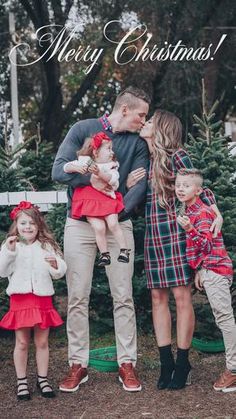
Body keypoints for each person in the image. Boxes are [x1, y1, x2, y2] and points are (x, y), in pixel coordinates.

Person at [52, 86, 150, 392]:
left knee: (123, 295)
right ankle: (77, 364)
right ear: (124, 110)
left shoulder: (137, 144)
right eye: (141, 115)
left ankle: (127, 363)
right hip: (80, 225)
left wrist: (115, 213)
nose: (143, 121)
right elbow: (58, 170)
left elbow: (139, 185)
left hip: (118, 225)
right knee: (77, 296)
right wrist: (91, 178)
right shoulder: (83, 129)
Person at [137, 109, 223, 390]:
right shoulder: (147, 159)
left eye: (150, 121)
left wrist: (215, 212)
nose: (145, 123)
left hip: (177, 234)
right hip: (154, 237)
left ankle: (183, 362)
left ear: (161, 129)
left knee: (181, 297)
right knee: (157, 297)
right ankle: (166, 363)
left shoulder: (178, 156)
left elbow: (201, 188)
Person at [175, 168, 236, 393]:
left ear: (198, 190)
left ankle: (234, 370)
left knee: (224, 318)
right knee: (223, 317)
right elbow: (205, 251)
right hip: (209, 269)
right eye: (178, 184)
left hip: (217, 271)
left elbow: (206, 245)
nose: (181, 188)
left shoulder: (200, 213)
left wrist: (189, 229)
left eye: (186, 185)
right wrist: (200, 268)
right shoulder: (192, 208)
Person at [0, 201, 67, 400]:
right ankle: (22, 382)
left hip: (42, 300)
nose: (27, 227)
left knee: (42, 341)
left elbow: (59, 271)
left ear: (38, 226)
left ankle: (42, 379)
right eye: (23, 223)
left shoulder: (47, 246)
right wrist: (9, 252)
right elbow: (2, 271)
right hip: (21, 301)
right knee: (21, 342)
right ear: (16, 226)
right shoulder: (12, 246)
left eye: (31, 223)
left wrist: (56, 265)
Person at [63, 131, 130, 267]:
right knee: (98, 227)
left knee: (112, 223)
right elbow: (65, 167)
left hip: (106, 199)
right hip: (88, 200)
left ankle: (124, 250)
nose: (112, 152)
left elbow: (113, 179)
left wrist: (100, 173)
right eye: (108, 149)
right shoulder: (85, 161)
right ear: (95, 152)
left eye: (112, 149)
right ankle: (104, 254)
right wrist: (77, 168)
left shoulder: (111, 165)